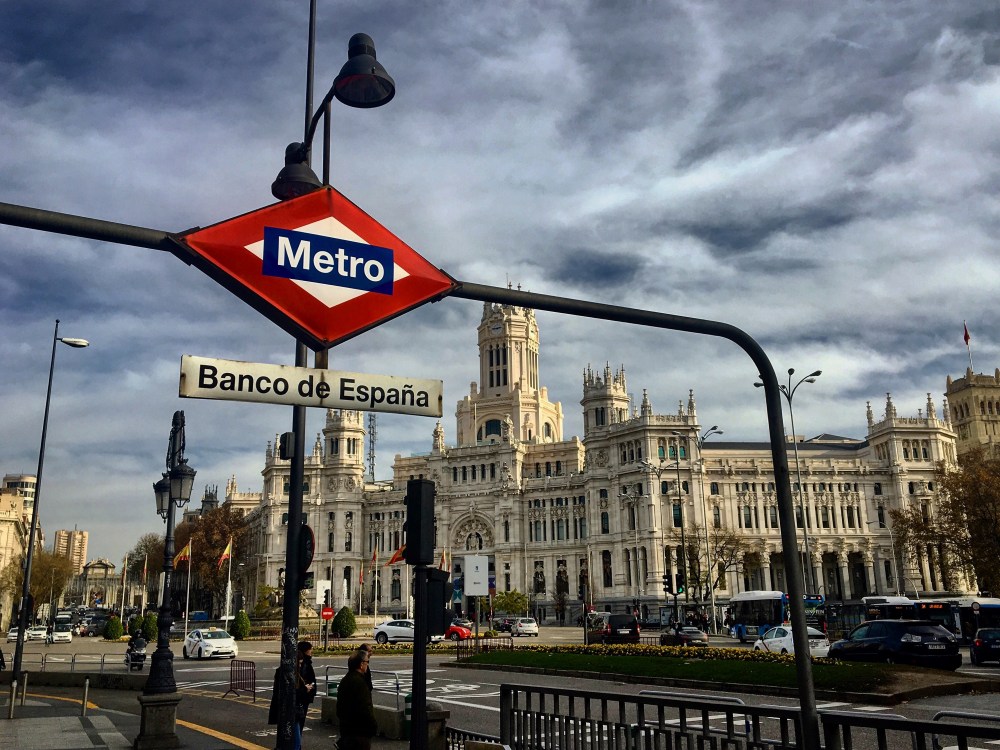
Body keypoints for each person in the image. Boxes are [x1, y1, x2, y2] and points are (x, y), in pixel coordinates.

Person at [337, 650, 377, 750]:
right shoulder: (360, 683)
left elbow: (340, 707)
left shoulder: (345, 680)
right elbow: (365, 707)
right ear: (361, 664)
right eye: (367, 662)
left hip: (346, 729)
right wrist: (373, 726)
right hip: (360, 732)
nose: (367, 665)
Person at [295, 641, 317, 741]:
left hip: (303, 696)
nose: (311, 652)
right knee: (298, 723)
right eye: (310, 650)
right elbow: (303, 680)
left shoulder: (305, 662)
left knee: (298, 724)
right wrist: (308, 688)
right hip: (302, 697)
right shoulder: (304, 663)